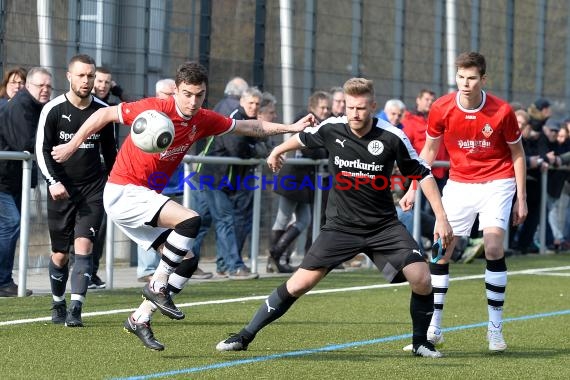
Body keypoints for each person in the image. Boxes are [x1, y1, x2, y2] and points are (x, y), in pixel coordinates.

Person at [51, 61, 315, 350]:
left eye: (199, 95)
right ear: (175, 90)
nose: (192, 101)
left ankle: (139, 318)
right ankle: (156, 285)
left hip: (142, 198)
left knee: (188, 261)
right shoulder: (154, 109)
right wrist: (72, 145)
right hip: (123, 191)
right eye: (187, 93)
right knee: (190, 220)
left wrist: (291, 127)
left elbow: (250, 126)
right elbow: (103, 113)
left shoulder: (202, 119)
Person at [216, 77, 453, 358]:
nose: (354, 113)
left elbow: (422, 173)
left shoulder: (392, 136)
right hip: (341, 227)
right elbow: (303, 137)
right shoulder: (333, 128)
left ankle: (420, 343)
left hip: (383, 226)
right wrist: (278, 150)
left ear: (372, 106)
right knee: (298, 284)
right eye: (351, 107)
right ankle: (243, 336)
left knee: (422, 277)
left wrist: (441, 217)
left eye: (362, 108)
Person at [400, 52, 527, 352]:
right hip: (458, 184)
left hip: (498, 181)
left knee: (493, 246)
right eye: (460, 77)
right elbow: (428, 152)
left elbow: (517, 153)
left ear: (483, 79)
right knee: (441, 250)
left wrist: (521, 197)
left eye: (471, 78)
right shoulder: (441, 107)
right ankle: (434, 328)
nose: (465, 83)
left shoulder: (502, 111)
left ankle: (495, 330)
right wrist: (412, 188)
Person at [36, 54, 117, 326]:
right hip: (62, 190)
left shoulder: (103, 110)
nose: (87, 80)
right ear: (69, 76)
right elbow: (42, 150)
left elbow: (111, 153)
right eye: (81, 75)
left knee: (85, 245)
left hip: (93, 189)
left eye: (90, 76)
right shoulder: (53, 109)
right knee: (60, 255)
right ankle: (58, 303)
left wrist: (116, 184)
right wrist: (53, 182)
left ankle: (76, 308)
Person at [0, 67, 52, 297]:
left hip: (15, 179)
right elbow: (25, 141)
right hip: (4, 179)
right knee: (11, 224)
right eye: (40, 85)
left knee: (11, 226)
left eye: (48, 86)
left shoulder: (35, 107)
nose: (45, 90)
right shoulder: (22, 106)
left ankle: (4, 280)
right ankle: (3, 281)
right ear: (29, 86)